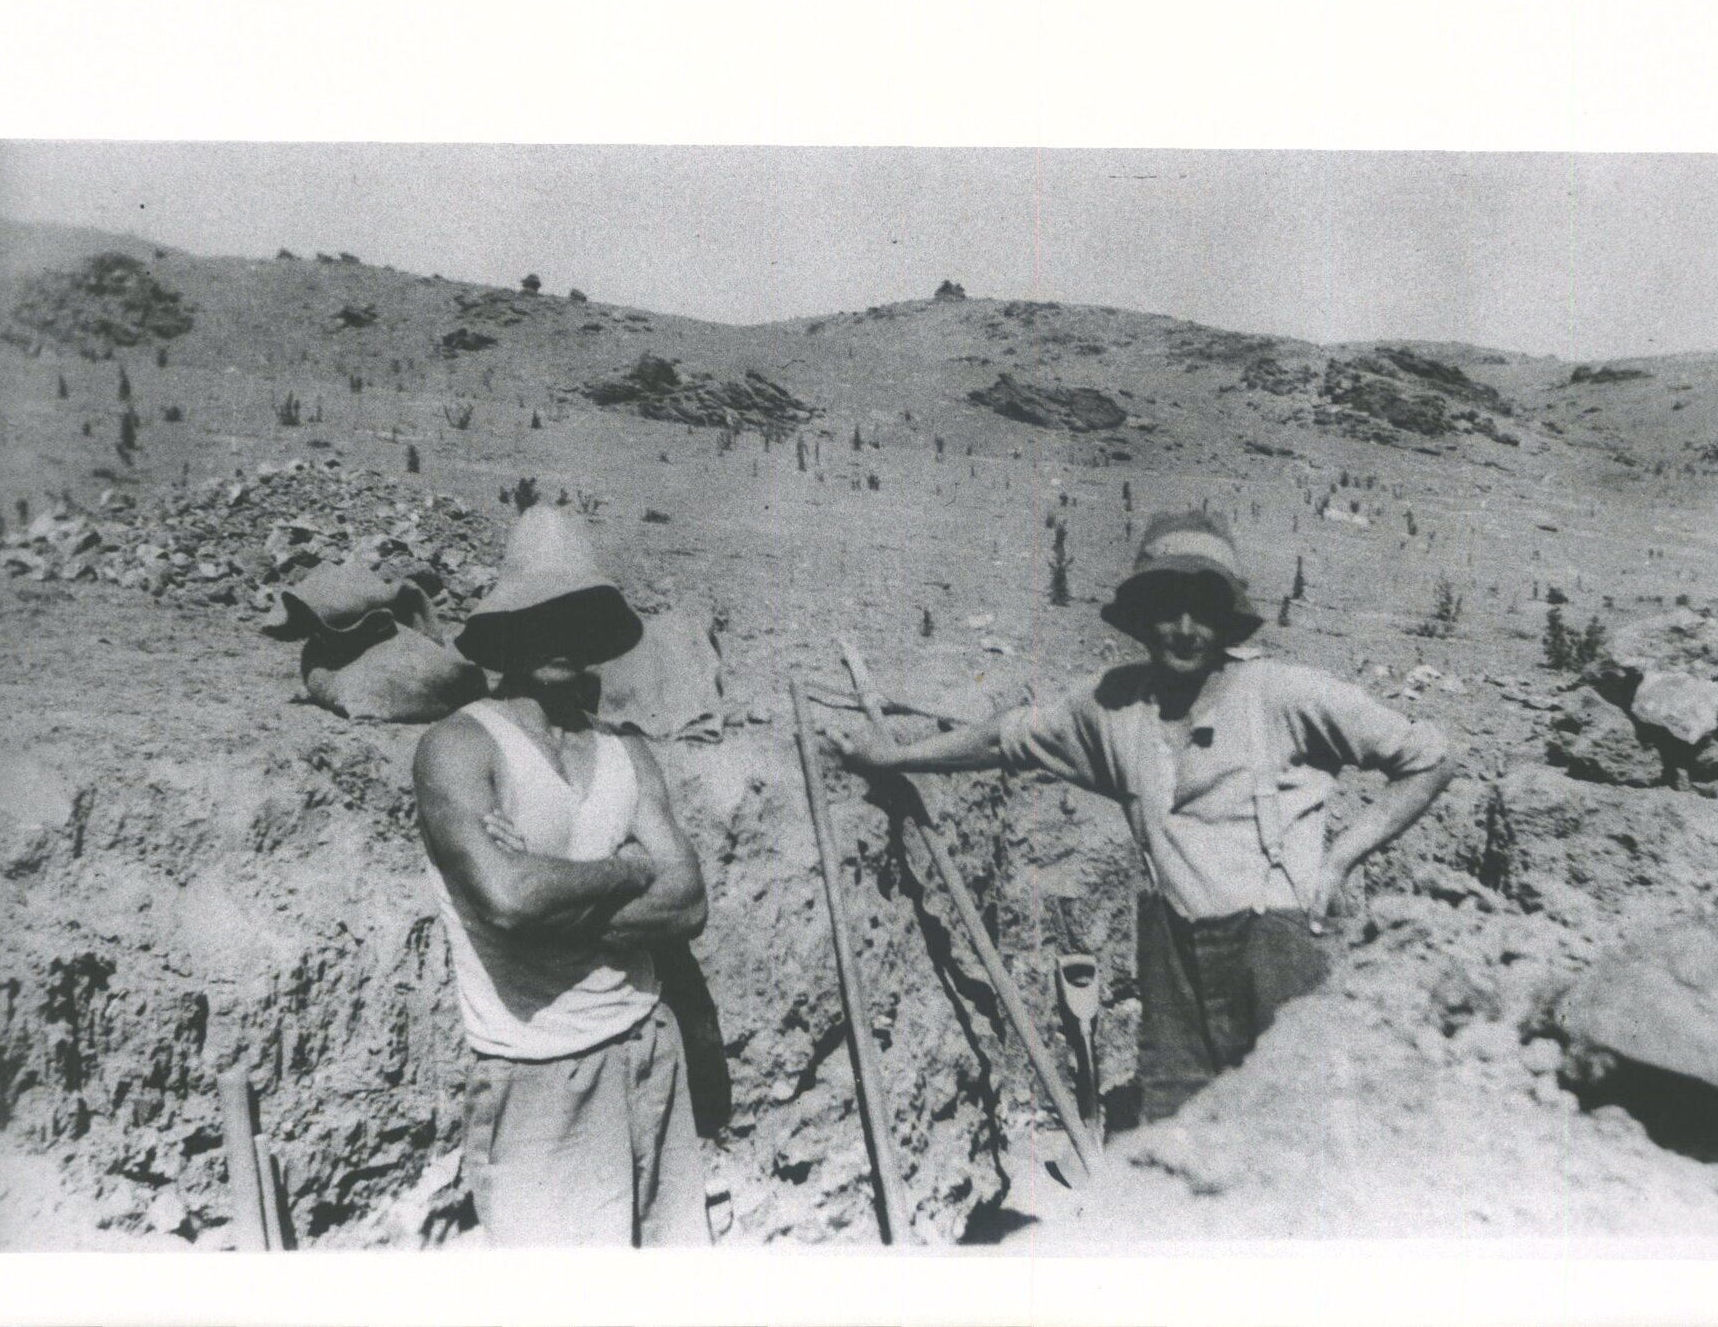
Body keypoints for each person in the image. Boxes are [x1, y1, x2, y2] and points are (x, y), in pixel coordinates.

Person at [831, 510, 1453, 1121]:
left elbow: (1430, 760)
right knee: (1175, 1134)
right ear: (1140, 616)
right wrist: (892, 758)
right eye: (1166, 608)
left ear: (1226, 620)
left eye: (1202, 611)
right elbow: (1004, 739)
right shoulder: (1113, 708)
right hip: (1173, 959)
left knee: (1290, 1130)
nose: (1184, 630)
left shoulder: (1285, 695)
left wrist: (1339, 861)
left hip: (1278, 955)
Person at [414, 506, 712, 1246]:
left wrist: (555, 894)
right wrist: (627, 869)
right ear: (504, 631)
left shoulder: (625, 751)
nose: (556, 634)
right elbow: (509, 902)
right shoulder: (460, 746)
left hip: (649, 1046)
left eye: (574, 616)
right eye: (535, 616)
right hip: (540, 1072)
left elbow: (686, 904)